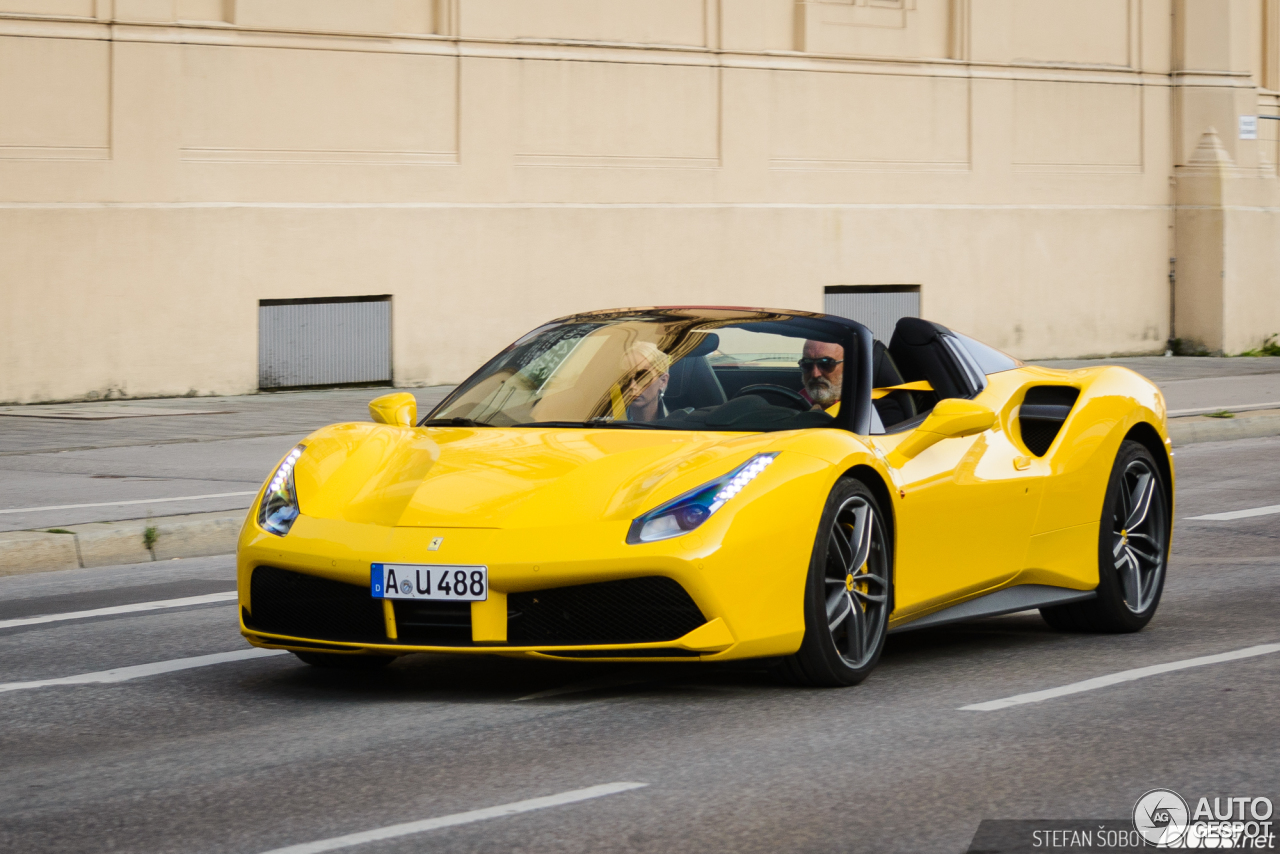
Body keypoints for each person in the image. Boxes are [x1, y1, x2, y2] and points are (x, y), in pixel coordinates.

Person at [621, 341, 671, 421]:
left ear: (663, 381)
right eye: (625, 377)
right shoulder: (603, 424)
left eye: (642, 377)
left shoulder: (682, 427)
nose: (632, 386)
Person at [799, 340, 843, 411]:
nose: (815, 374)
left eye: (826, 364)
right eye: (807, 364)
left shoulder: (861, 407)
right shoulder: (795, 401)